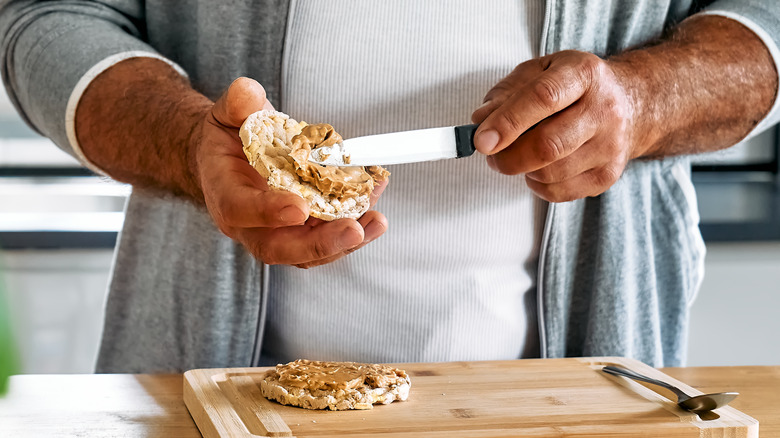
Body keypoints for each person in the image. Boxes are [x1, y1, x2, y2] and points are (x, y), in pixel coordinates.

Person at [0, 1, 777, 373]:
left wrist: (647, 99)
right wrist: (184, 141)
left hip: (575, 398)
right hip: (201, 383)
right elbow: (46, 19)